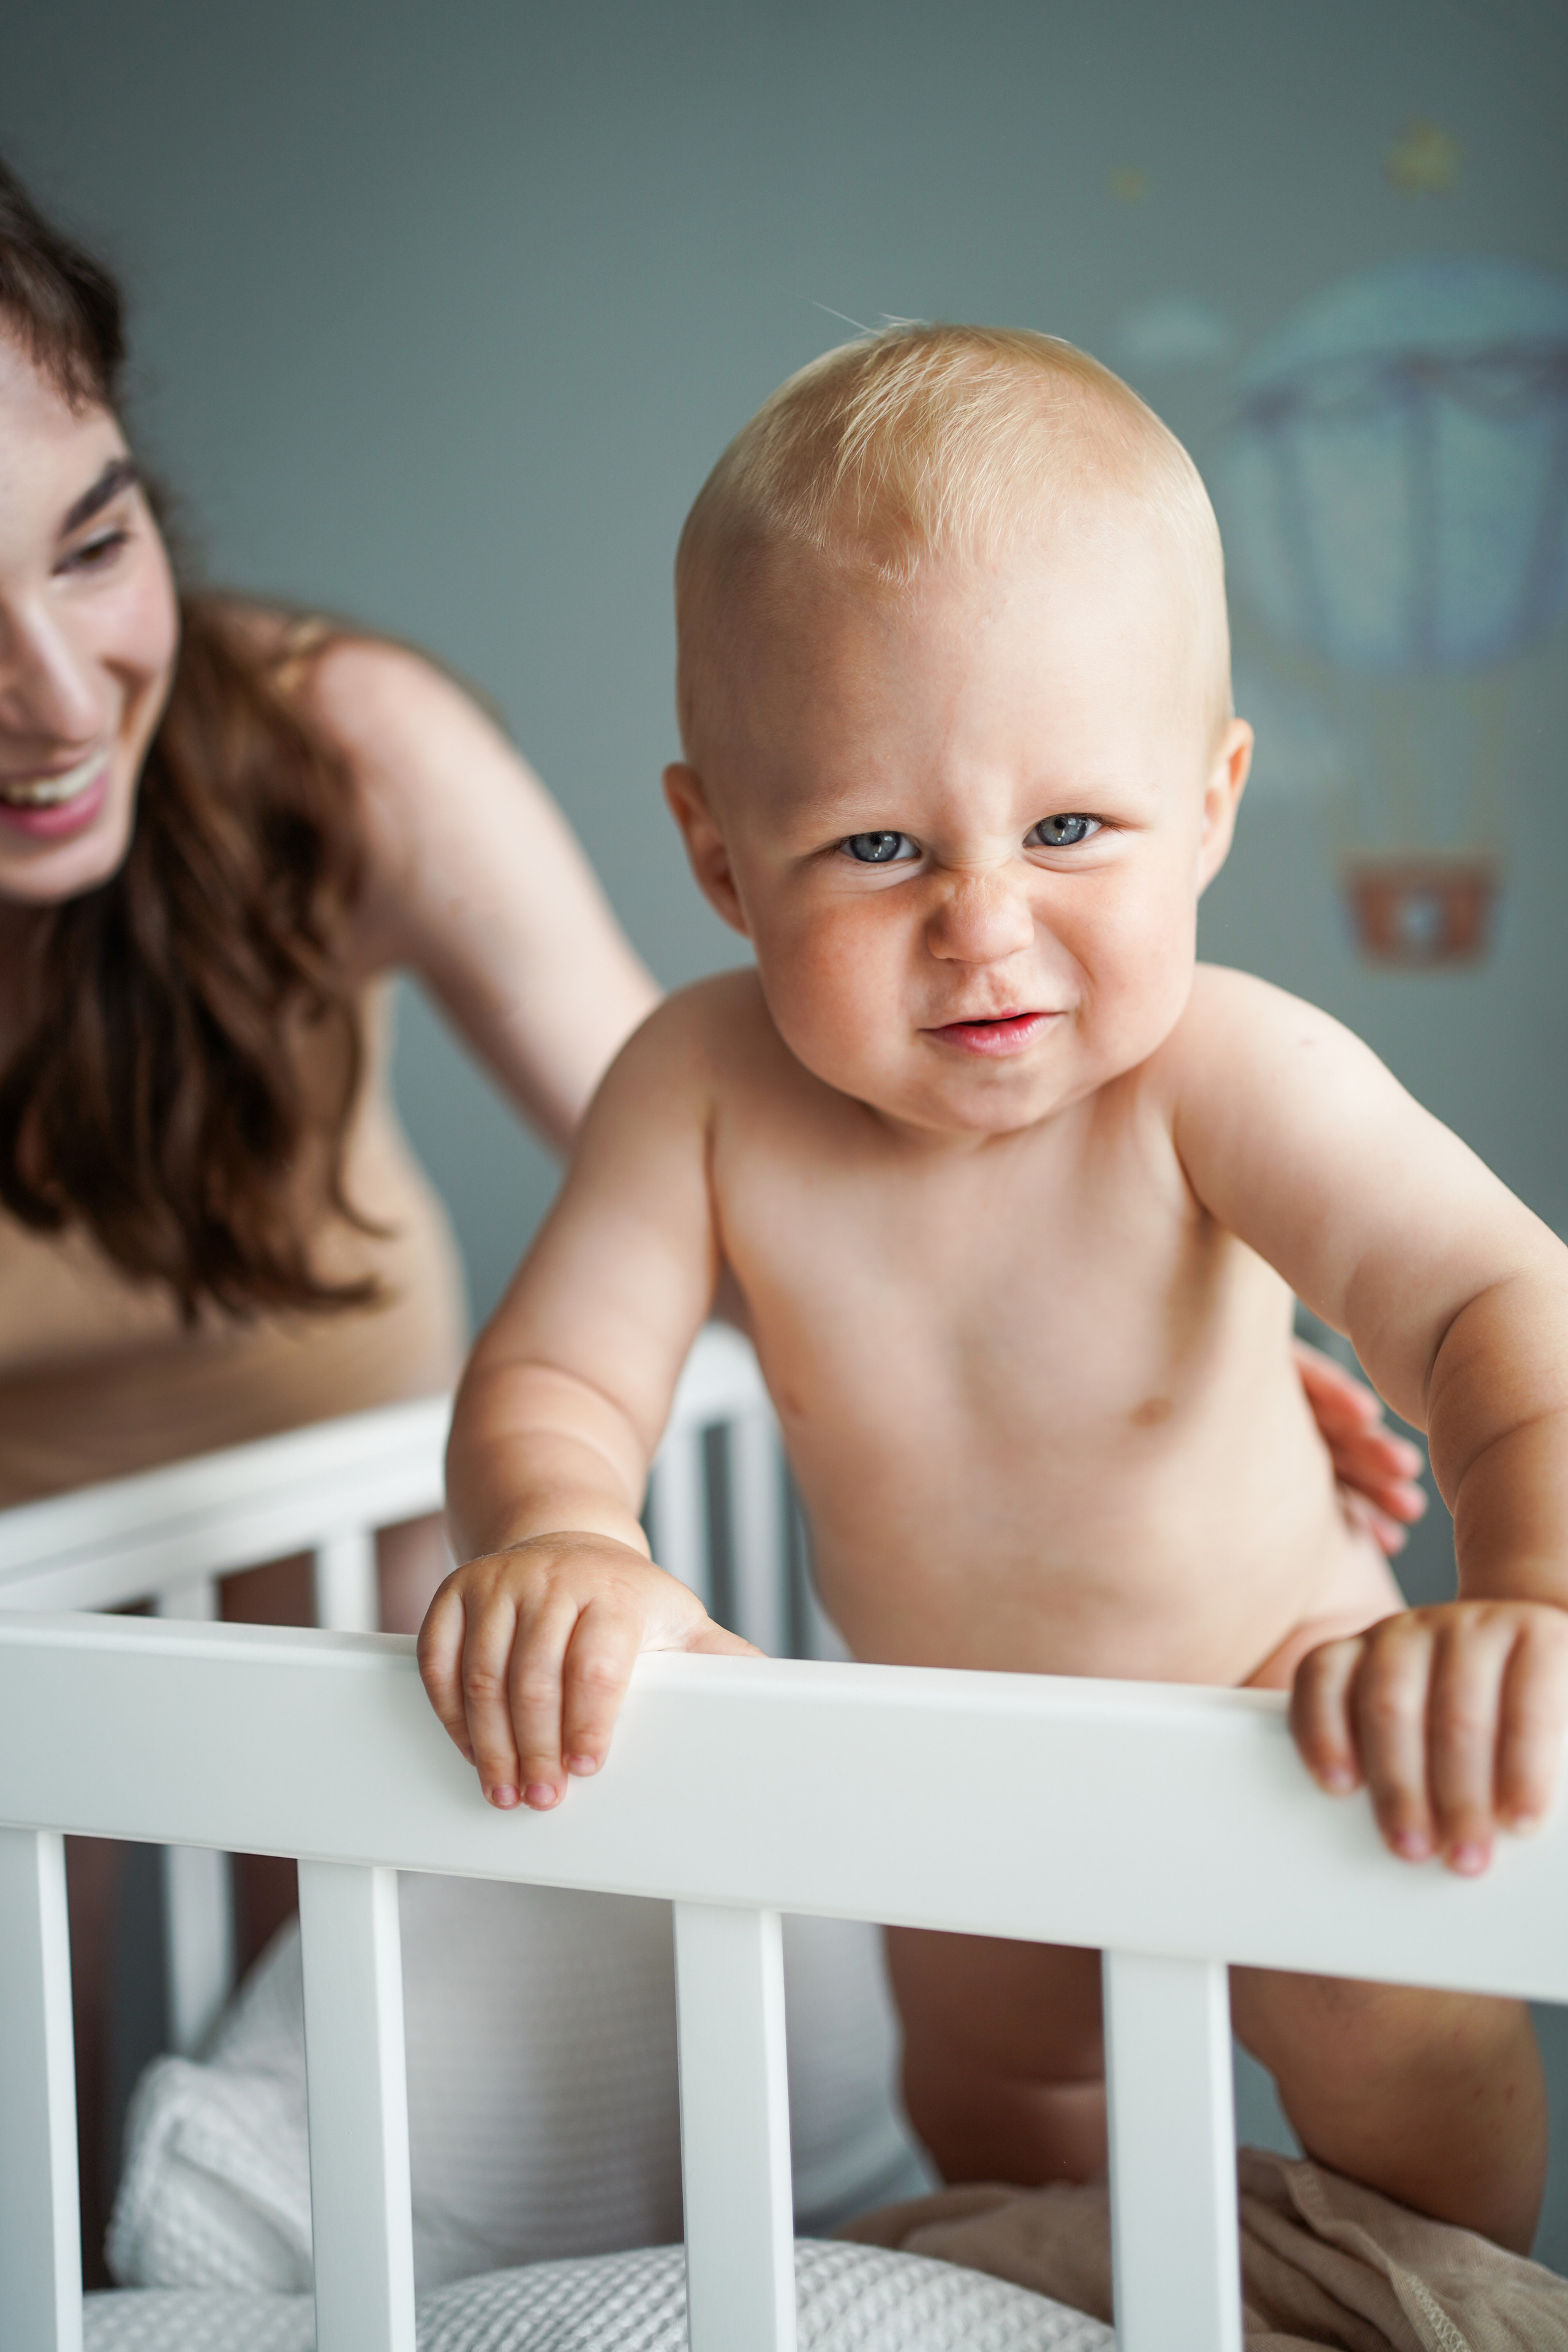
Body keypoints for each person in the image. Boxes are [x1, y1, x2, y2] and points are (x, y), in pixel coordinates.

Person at [425, 325, 1568, 2257]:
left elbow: (1488, 1305)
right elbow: (556, 1377)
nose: (983, 924)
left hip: (1285, 1717)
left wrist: (1524, 1596)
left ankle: (1421, 2298)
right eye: (875, 846)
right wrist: (559, 1536)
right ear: (718, 854)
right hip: (944, 1771)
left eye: (1069, 830)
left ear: (1208, 803)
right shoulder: (700, 1090)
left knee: (1385, 2032)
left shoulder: (1224, 1071)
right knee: (1005, 2128)